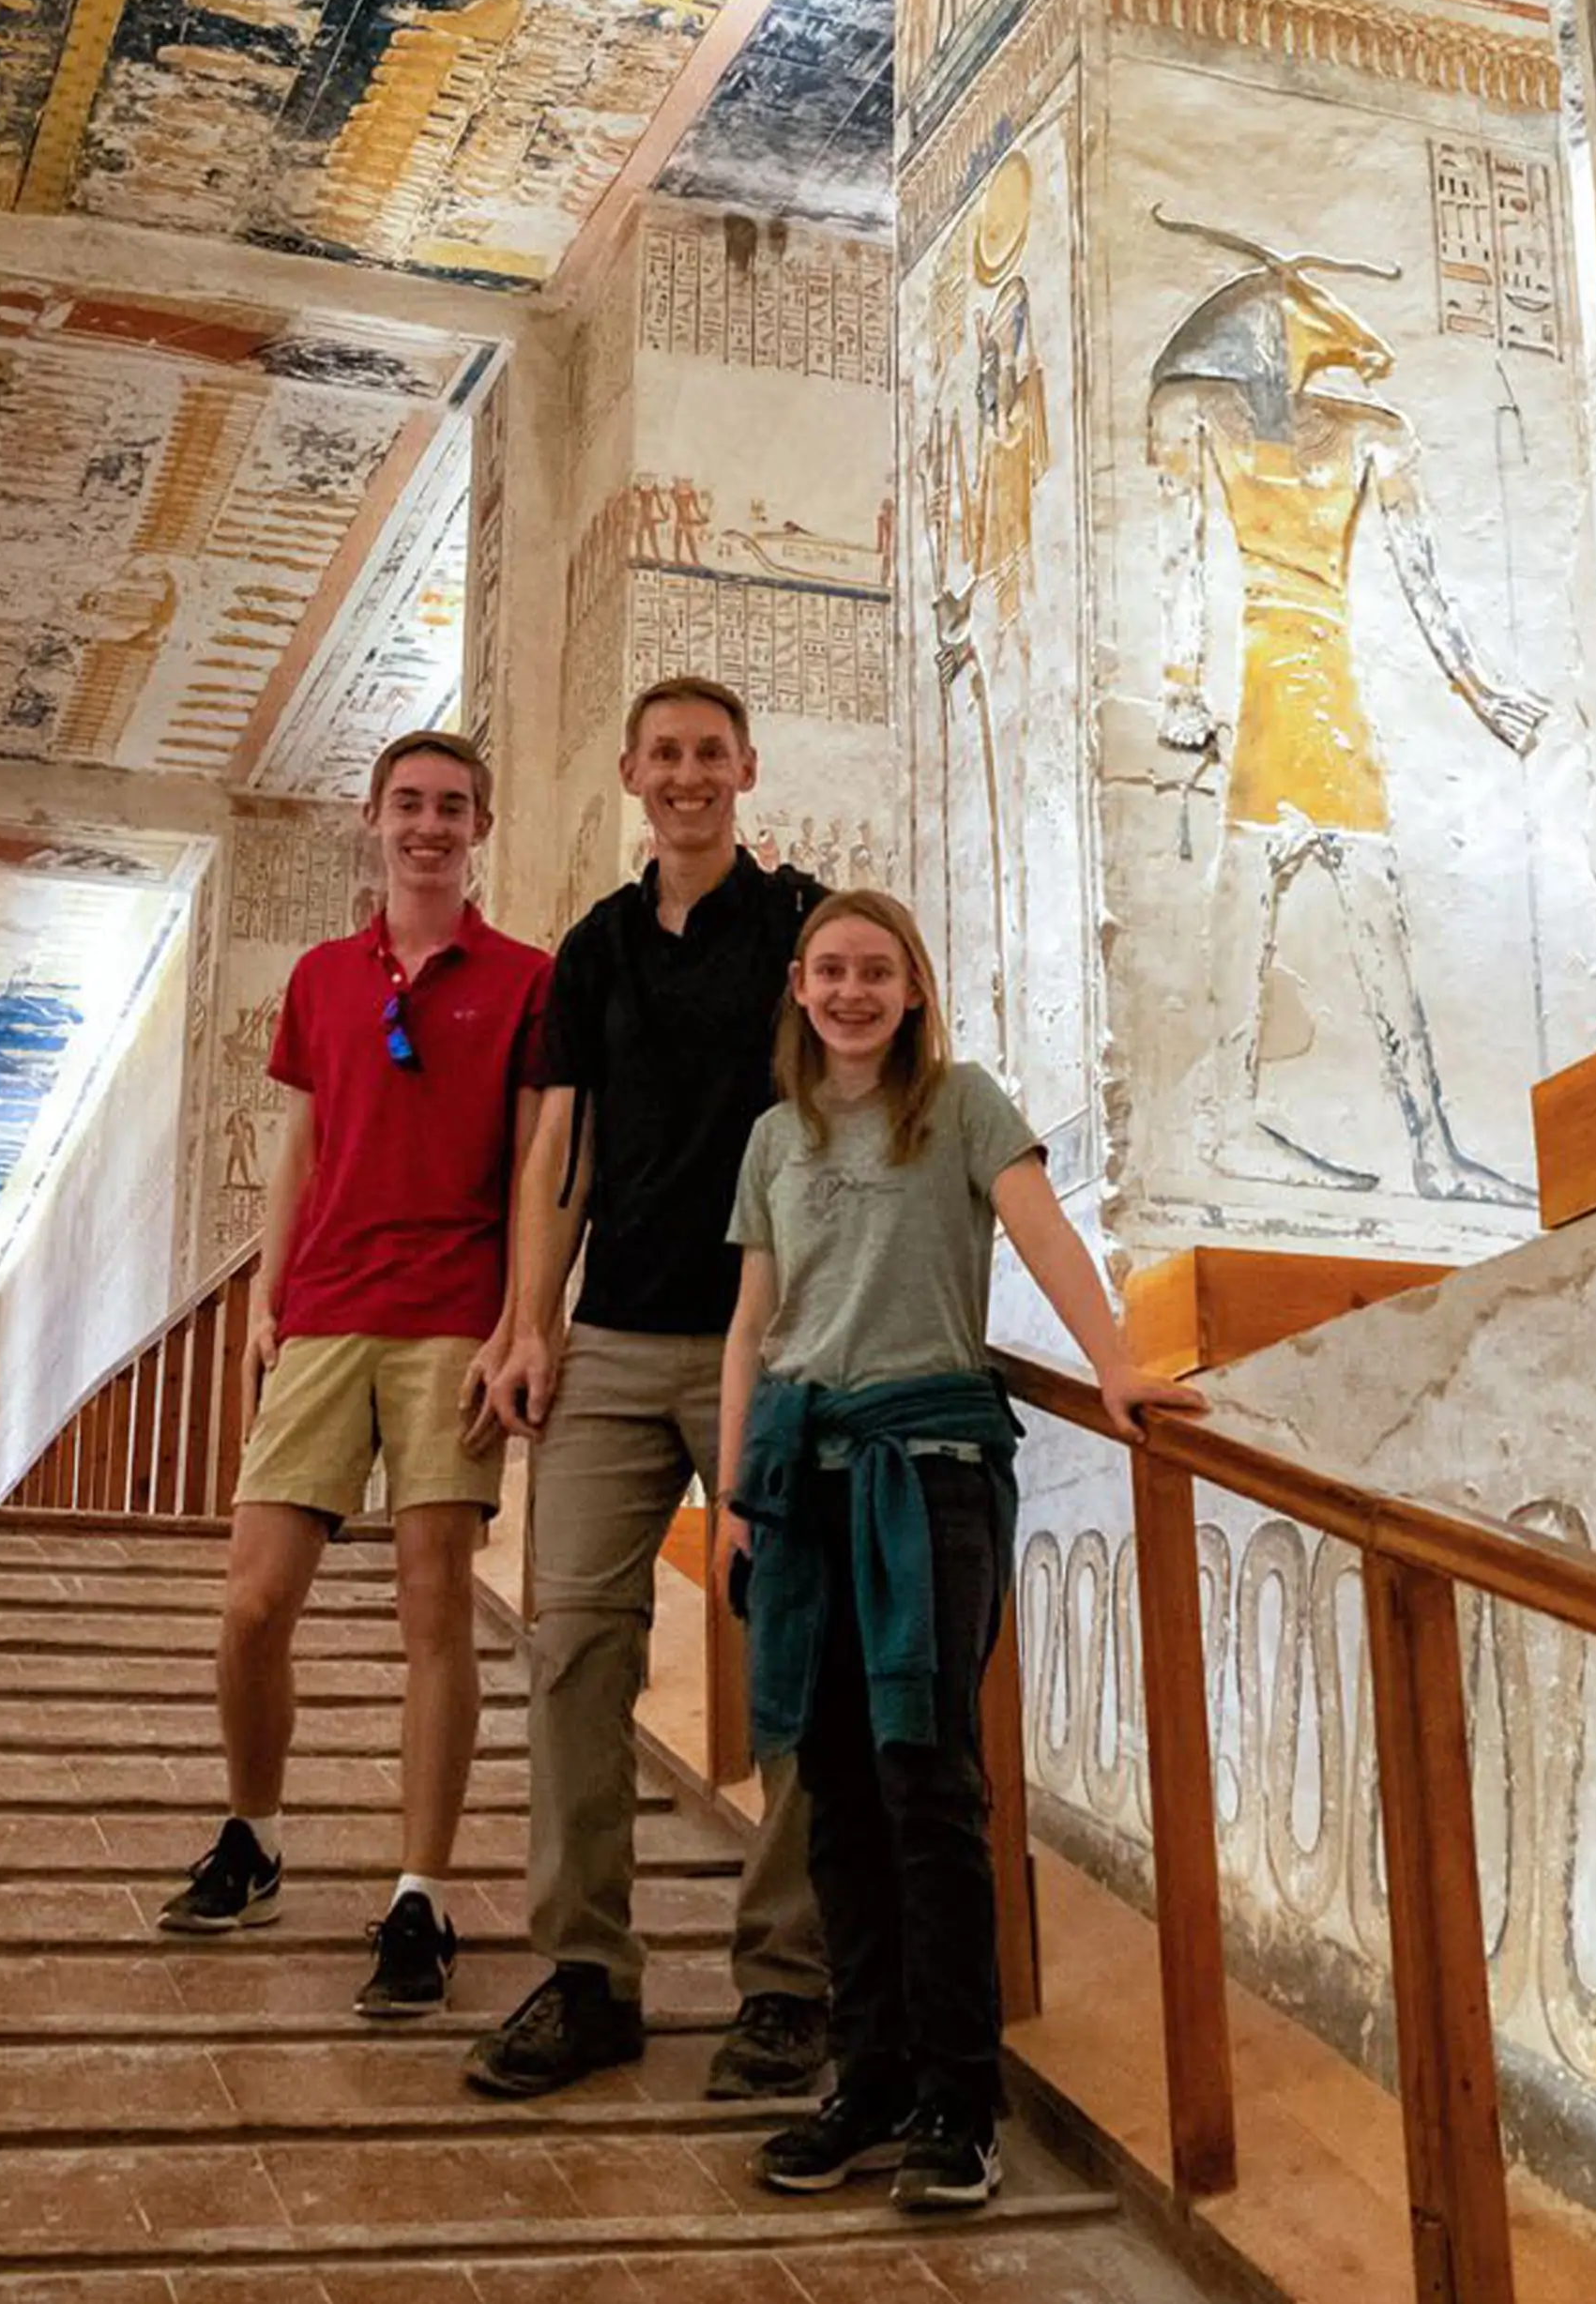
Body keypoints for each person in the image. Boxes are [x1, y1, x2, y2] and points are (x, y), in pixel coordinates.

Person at [717, 891, 1207, 2208]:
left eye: (878, 970)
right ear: (801, 988)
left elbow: (1043, 1231)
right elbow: (753, 1323)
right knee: (826, 1777)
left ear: (916, 987)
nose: (854, 990)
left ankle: (957, 2093)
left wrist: (1120, 1369)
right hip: (803, 1475)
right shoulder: (774, 1136)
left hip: (927, 1467)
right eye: (831, 970)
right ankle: (865, 2072)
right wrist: (731, 1496)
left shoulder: (965, 1104)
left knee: (925, 1776)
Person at [468, 678, 836, 2100]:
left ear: (746, 767)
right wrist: (526, 1321)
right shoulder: (599, 945)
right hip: (614, 1341)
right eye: (663, 754)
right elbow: (558, 1145)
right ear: (631, 772)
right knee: (573, 1657)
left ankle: (788, 1980)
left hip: (768, 1332)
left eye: (709, 754)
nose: (686, 775)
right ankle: (587, 1974)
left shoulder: (800, 923)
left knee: (791, 1654)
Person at [157, 731, 551, 2026]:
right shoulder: (326, 978)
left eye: (451, 807)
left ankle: (421, 1893)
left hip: (451, 1319)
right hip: (325, 1314)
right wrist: (269, 1290)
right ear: (373, 820)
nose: (428, 826)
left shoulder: (526, 980)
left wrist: (519, 1319)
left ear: (480, 824)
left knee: (435, 1604)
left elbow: (542, 1170)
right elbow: (305, 1133)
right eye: (408, 805)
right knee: (254, 1600)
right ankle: (253, 1831)